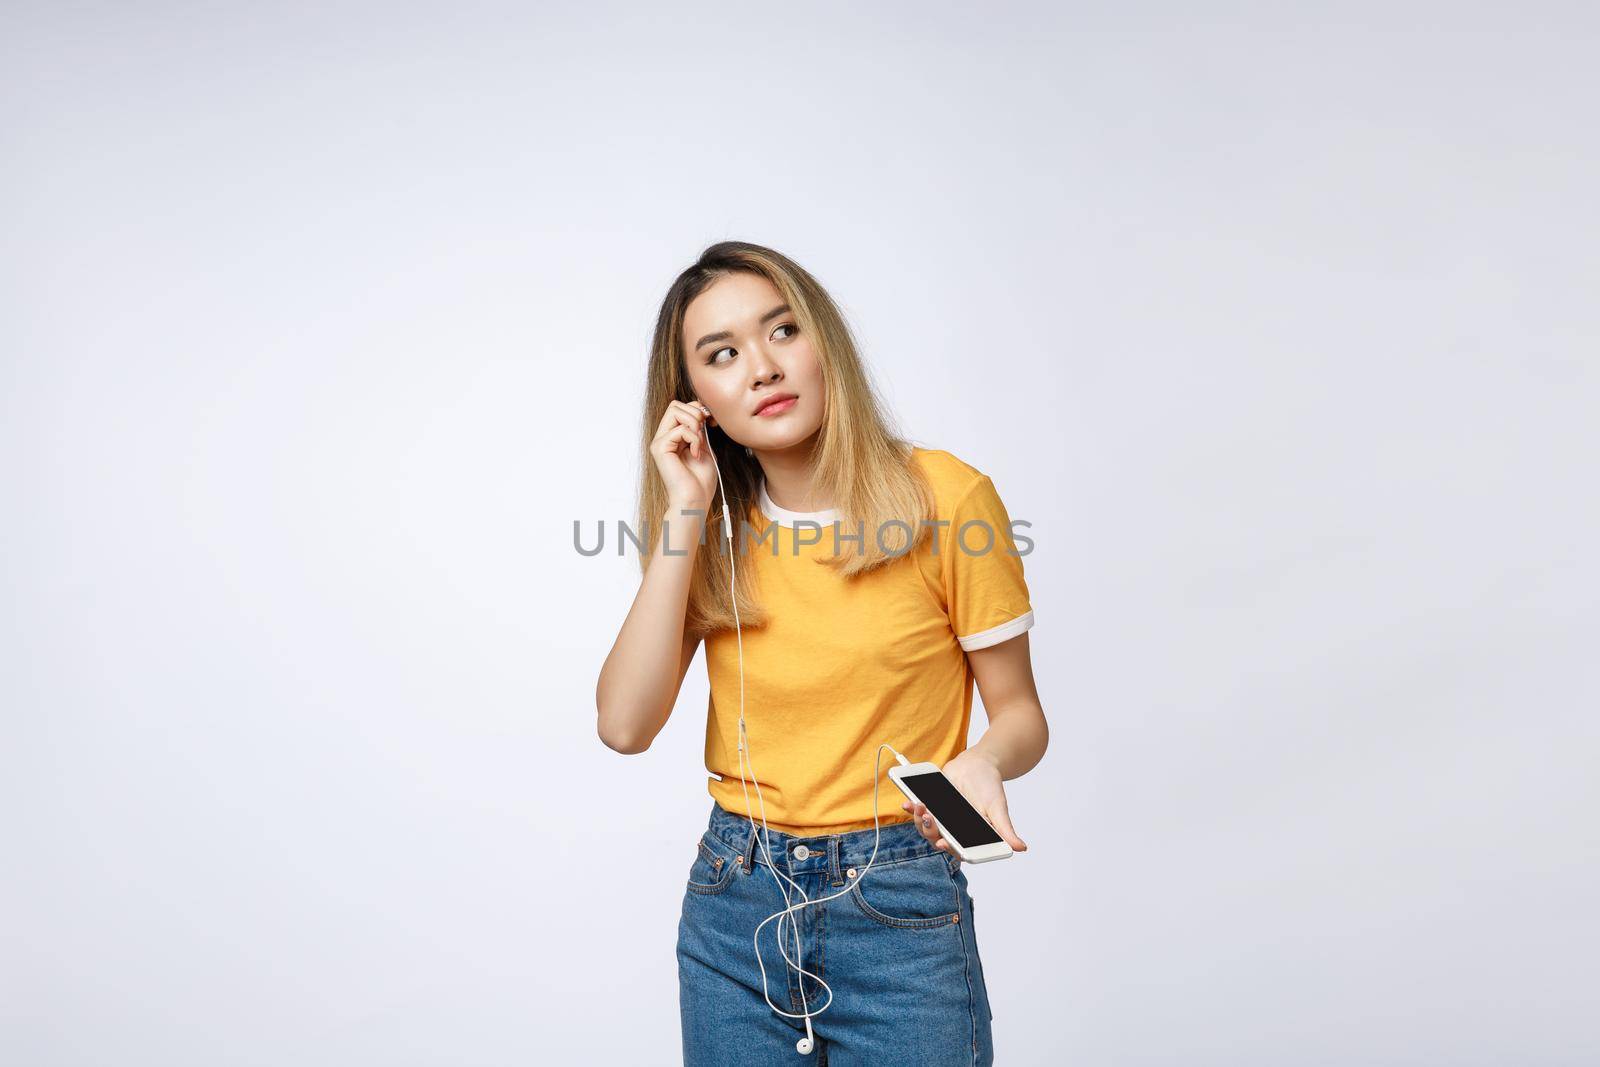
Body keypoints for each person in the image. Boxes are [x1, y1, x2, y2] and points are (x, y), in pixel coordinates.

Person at [595, 241, 1049, 1066]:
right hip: (737, 905)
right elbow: (624, 725)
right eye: (722, 355)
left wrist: (982, 761)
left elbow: (1020, 713)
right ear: (693, 400)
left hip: (898, 905)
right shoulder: (713, 530)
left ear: (824, 342)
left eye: (782, 330)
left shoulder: (948, 499)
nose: (761, 368)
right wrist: (684, 512)